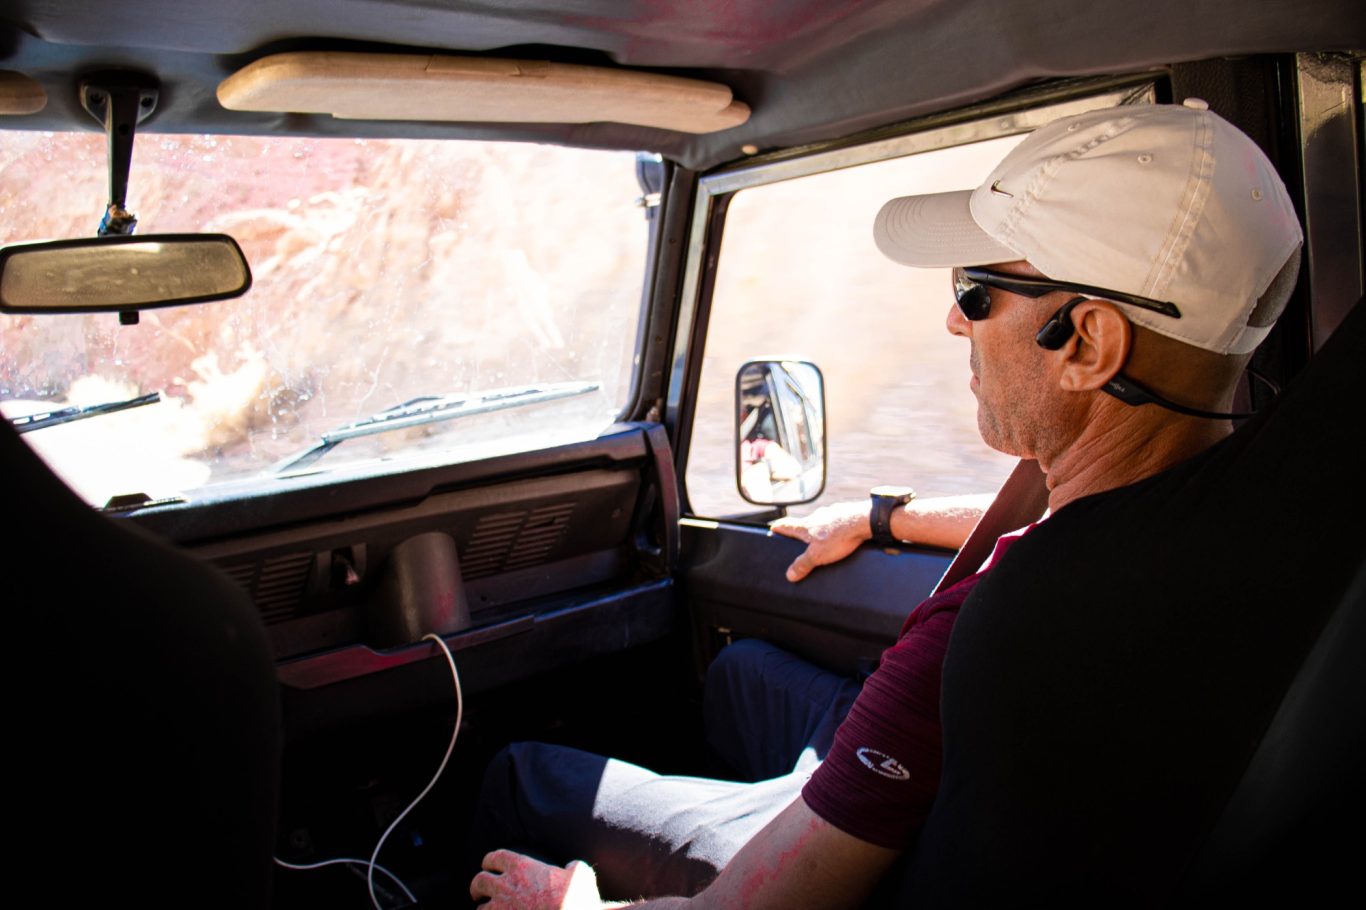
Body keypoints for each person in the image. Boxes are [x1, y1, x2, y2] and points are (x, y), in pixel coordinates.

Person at [469, 99, 1305, 909]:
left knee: (522, 774)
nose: (952, 318)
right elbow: (1047, 514)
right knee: (737, 673)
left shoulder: (990, 636)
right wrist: (881, 519)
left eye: (977, 290)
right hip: (917, 776)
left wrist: (573, 902)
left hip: (867, 846)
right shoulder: (1255, 507)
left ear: (1085, 343)